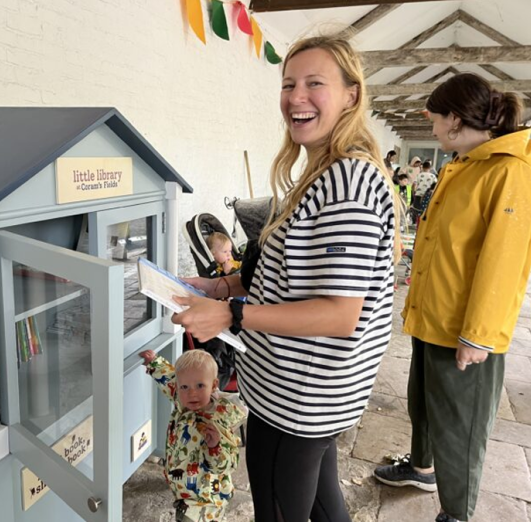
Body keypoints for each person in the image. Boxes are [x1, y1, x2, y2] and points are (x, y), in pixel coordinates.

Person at [171, 33, 399, 522]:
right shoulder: (322, 172)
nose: (296, 97)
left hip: (301, 393)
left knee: (278, 509)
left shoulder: (347, 182)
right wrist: (220, 286)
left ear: (351, 95)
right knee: (319, 501)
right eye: (288, 83)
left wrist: (231, 313)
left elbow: (340, 314)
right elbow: (289, 274)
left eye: (314, 83)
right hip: (306, 391)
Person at [373, 73, 531, 522]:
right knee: (424, 407)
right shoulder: (462, 166)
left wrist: (479, 335)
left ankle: (457, 513)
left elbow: (503, 264)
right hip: (433, 318)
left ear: (455, 119)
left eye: (434, 119)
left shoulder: (509, 172)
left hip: (464, 332)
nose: (430, 130)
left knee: (461, 429)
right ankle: (421, 468)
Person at [138, 349, 246, 522]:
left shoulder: (218, 420)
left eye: (200, 386)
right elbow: (169, 380)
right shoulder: (182, 400)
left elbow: (228, 464)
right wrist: (154, 363)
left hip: (206, 500)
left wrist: (215, 447)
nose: (191, 393)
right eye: (185, 387)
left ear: (214, 384)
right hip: (185, 493)